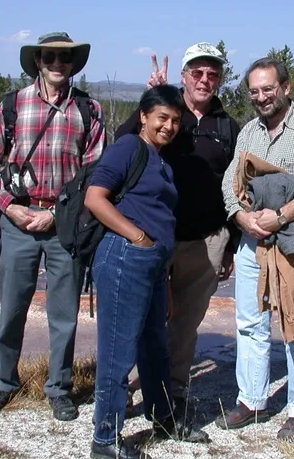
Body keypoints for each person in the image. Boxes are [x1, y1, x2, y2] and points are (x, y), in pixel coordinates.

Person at [0, 32, 105, 420]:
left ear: (72, 64)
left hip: (64, 226)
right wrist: (10, 209)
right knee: (12, 308)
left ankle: (59, 387)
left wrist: (57, 215)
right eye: (49, 57)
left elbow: (94, 176)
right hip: (18, 220)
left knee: (64, 312)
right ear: (38, 61)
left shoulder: (89, 110)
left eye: (64, 59)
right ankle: (4, 382)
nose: (57, 64)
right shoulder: (13, 105)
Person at [217, 58, 294, 441]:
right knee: (250, 324)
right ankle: (252, 401)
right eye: (254, 91)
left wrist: (281, 216)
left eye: (268, 89)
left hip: (293, 242)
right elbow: (229, 181)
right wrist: (240, 217)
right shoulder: (249, 133)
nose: (261, 97)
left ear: (286, 87)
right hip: (253, 242)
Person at [116, 43, 240, 411]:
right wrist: (150, 95)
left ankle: (173, 390)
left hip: (208, 239)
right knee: (141, 314)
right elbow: (126, 142)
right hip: (155, 236)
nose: (205, 80)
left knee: (185, 323)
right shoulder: (168, 113)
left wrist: (230, 245)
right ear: (184, 76)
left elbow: (237, 188)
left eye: (212, 74)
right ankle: (122, 384)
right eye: (197, 72)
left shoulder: (228, 125)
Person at [85, 85, 206, 459]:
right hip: (125, 257)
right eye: (162, 118)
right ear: (143, 116)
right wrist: (138, 237)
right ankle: (105, 440)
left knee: (155, 348)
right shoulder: (128, 148)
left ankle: (164, 419)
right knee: (118, 353)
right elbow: (94, 197)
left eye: (174, 120)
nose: (169, 126)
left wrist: (163, 274)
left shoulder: (161, 159)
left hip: (151, 266)